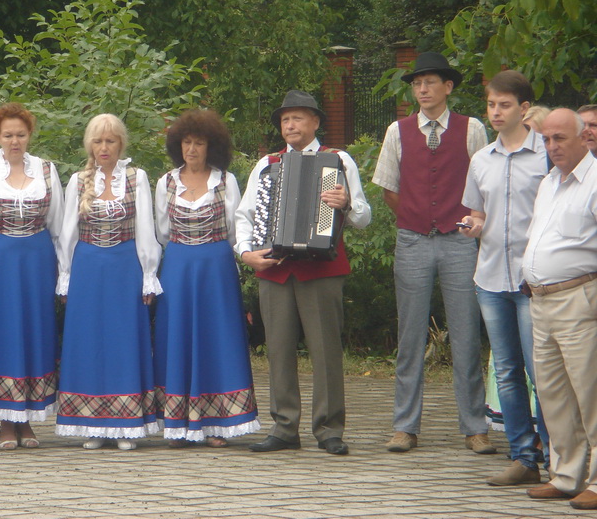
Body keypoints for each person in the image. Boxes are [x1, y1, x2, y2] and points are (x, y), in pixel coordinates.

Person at [236, 90, 371, 456]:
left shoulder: (337, 160)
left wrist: (347, 203)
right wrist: (246, 253)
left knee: (326, 351)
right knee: (278, 351)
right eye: (285, 120)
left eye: (297, 118)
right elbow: (245, 215)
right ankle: (284, 428)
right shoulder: (267, 164)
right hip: (275, 269)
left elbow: (363, 217)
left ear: (315, 122)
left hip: (321, 269)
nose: (290, 125)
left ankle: (329, 429)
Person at [372, 52, 494, 454]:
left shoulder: (471, 128)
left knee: (466, 333)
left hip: (459, 240)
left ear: (448, 87)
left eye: (429, 82)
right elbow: (389, 188)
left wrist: (460, 220)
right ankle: (405, 426)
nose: (422, 89)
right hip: (413, 239)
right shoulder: (397, 131)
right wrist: (416, 215)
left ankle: (475, 427)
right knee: (409, 336)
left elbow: (483, 185)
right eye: (416, 83)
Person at [459, 70, 548, 485]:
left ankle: (557, 454)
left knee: (541, 370)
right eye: (491, 104)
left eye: (505, 105)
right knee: (507, 372)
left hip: (534, 281)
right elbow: (477, 213)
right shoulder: (481, 159)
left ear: (524, 108)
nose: (495, 112)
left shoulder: (545, 155)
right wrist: (473, 226)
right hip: (491, 277)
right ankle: (523, 458)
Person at [0, 102, 66, 450]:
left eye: (20, 134)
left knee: (33, 332)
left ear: (30, 135)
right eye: (8, 135)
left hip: (36, 262)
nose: (15, 141)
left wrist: (63, 272)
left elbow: (59, 226)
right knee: (2, 334)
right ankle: (7, 420)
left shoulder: (47, 170)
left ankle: (28, 418)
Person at [154, 109, 259, 448]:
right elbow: (162, 233)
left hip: (216, 271)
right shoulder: (166, 183)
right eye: (186, 142)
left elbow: (234, 232)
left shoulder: (226, 181)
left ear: (211, 146)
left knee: (216, 340)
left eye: (199, 143)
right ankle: (179, 424)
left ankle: (216, 424)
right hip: (178, 270)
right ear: (178, 145)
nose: (192, 149)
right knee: (178, 339)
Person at [56, 113, 161, 451]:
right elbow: (67, 233)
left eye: (110, 141)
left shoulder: (136, 178)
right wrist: (65, 276)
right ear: (90, 144)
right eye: (98, 141)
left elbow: (146, 228)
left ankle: (126, 425)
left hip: (124, 268)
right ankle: (93, 425)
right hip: (87, 269)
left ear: (121, 144)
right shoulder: (78, 181)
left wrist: (148, 275)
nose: (104, 147)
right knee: (89, 342)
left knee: (123, 340)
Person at [523, 108, 597, 511]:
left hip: (579, 299)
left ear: (583, 137)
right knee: (553, 394)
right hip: (541, 302)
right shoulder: (548, 182)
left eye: (560, 139)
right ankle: (567, 475)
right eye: (546, 139)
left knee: (591, 393)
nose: (552, 147)